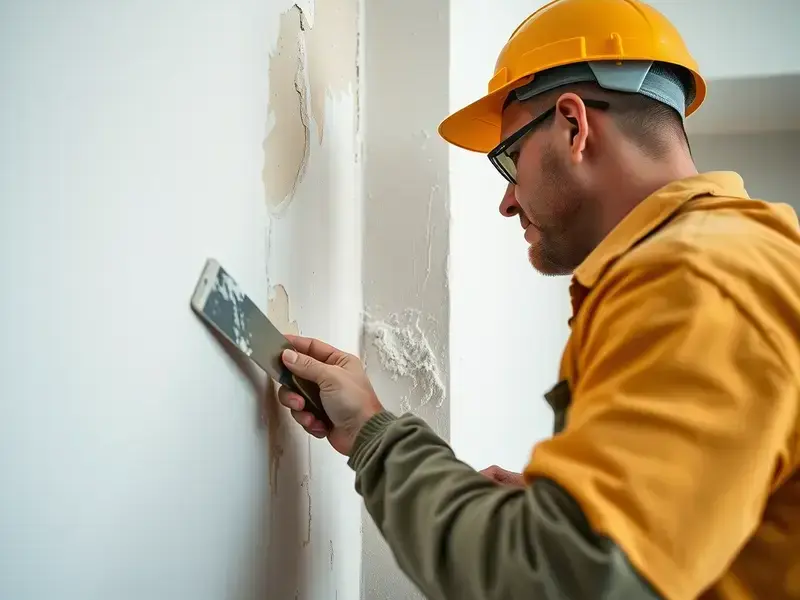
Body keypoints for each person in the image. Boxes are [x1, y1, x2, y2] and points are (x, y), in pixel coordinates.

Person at [277, 0, 800, 598]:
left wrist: (375, 433)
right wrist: (559, 510)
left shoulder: (696, 280)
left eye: (509, 159)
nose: (506, 201)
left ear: (574, 126)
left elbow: (558, 579)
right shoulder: (737, 259)